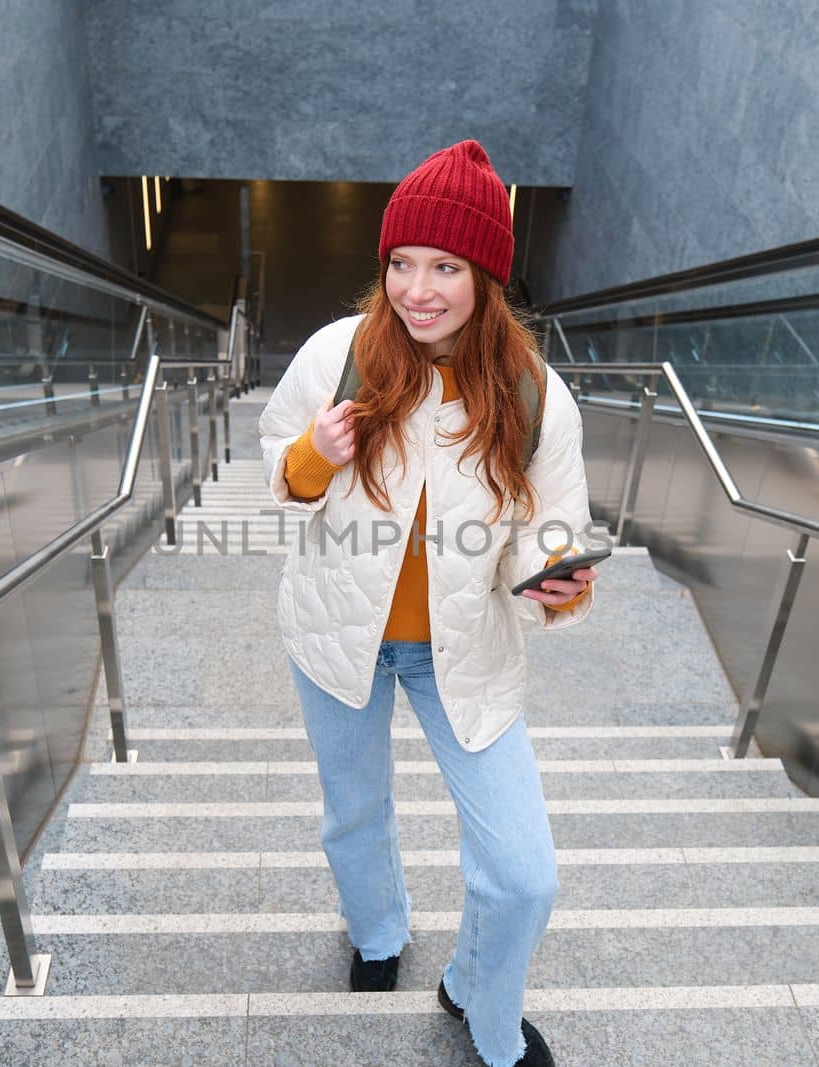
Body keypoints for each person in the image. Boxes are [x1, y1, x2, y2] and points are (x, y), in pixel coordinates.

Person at [257, 140, 600, 1067]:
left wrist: (555, 579)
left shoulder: (532, 394)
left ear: (486, 274)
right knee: (352, 810)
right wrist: (313, 457)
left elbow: (553, 525)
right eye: (402, 264)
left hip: (465, 649)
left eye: (445, 266)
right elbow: (275, 469)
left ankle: (480, 1003)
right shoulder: (341, 354)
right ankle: (377, 933)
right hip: (337, 635)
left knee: (523, 874)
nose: (418, 289)